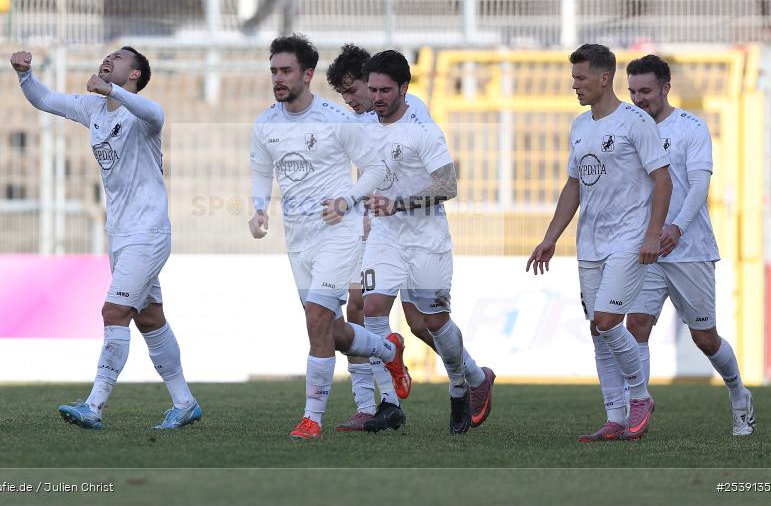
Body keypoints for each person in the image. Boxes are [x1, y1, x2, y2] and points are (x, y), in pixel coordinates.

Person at [10, 47, 200, 430]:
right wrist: (24, 75)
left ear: (134, 74)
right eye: (108, 55)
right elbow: (45, 99)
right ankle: (184, 403)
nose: (108, 59)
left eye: (119, 58)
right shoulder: (92, 109)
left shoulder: (142, 114)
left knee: (114, 312)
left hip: (148, 232)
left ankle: (94, 406)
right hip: (120, 233)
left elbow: (155, 113)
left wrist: (111, 92)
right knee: (149, 318)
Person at [326, 44, 495, 432]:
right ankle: (385, 401)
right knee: (369, 308)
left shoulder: (417, 121)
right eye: (363, 91)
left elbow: (446, 182)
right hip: (385, 234)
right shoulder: (364, 123)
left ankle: (468, 379)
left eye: (361, 92)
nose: (360, 100)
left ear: (398, 89)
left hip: (425, 236)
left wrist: (397, 203)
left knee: (429, 323)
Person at [248, 34, 409, 440]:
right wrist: (259, 207)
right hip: (297, 238)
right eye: (273, 71)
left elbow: (373, 169)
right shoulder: (265, 123)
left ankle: (311, 419)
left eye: (285, 71)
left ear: (307, 74)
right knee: (329, 329)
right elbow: (261, 169)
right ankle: (388, 350)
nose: (278, 78)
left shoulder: (336, 120)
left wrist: (347, 201)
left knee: (318, 317)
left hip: (339, 233)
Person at [526, 43, 672, 442]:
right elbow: (574, 184)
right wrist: (550, 237)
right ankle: (614, 416)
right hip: (589, 241)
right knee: (597, 328)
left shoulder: (635, 121)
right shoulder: (580, 126)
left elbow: (663, 179)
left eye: (580, 77)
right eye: (573, 78)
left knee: (609, 321)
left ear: (604, 78)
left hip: (628, 239)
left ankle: (639, 397)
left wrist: (652, 234)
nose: (574, 85)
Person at [625, 54, 755, 436]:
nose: (638, 98)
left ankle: (738, 394)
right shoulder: (629, 129)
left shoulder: (690, 128)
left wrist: (677, 227)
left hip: (688, 248)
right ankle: (639, 411)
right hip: (647, 248)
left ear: (665, 88)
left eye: (645, 90)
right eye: (632, 91)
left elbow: (699, 184)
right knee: (636, 326)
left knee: (704, 337)